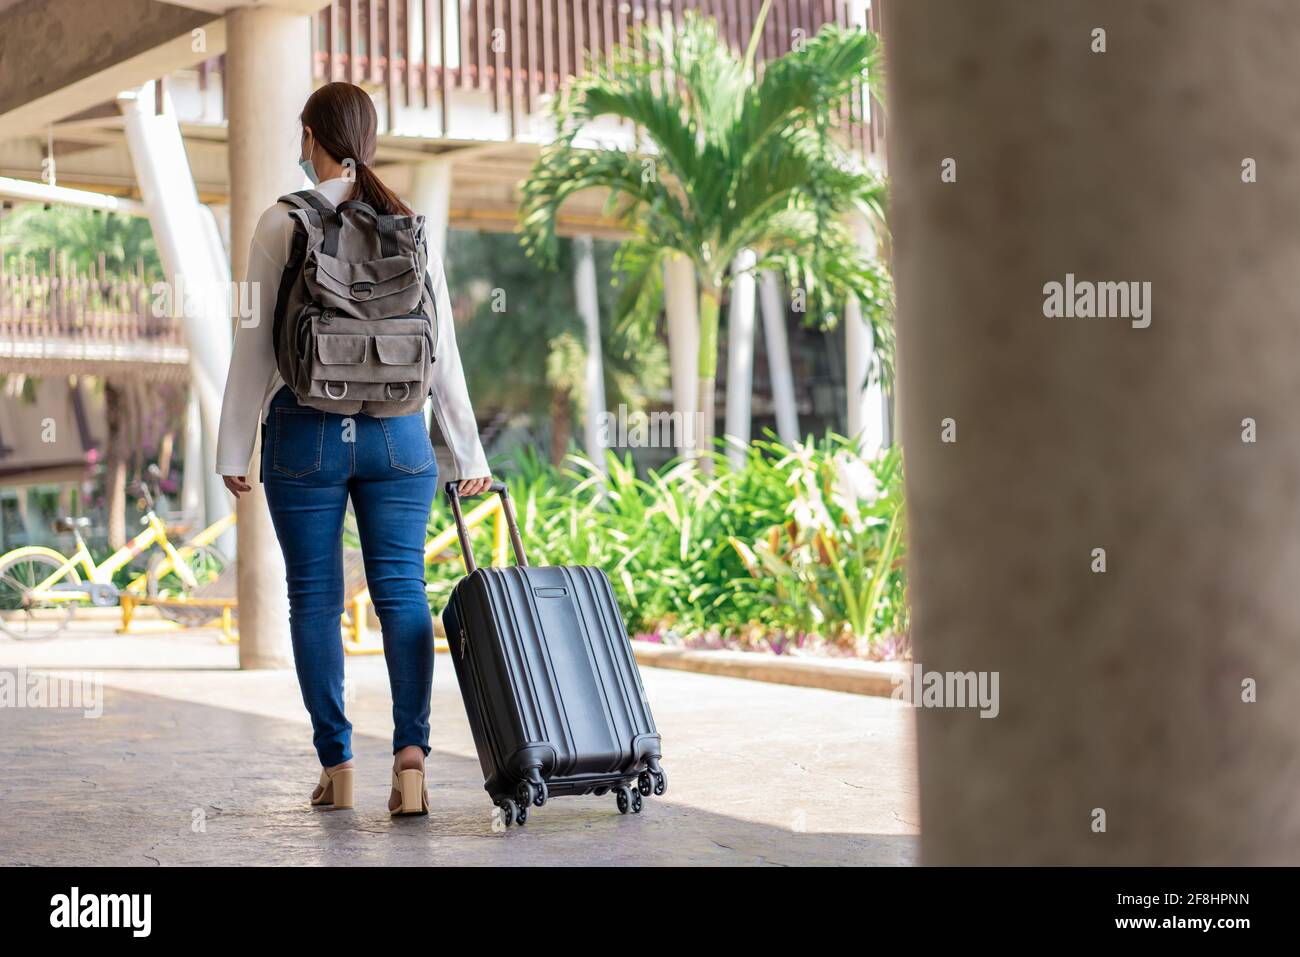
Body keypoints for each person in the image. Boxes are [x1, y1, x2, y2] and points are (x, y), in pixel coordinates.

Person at [215, 82, 491, 816]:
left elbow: (253, 345)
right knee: (403, 591)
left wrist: (232, 446)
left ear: (311, 138)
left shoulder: (282, 222)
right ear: (368, 139)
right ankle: (410, 764)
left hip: (306, 431)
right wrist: (467, 452)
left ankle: (337, 765)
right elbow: (443, 351)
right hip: (399, 435)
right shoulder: (409, 223)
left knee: (315, 599)